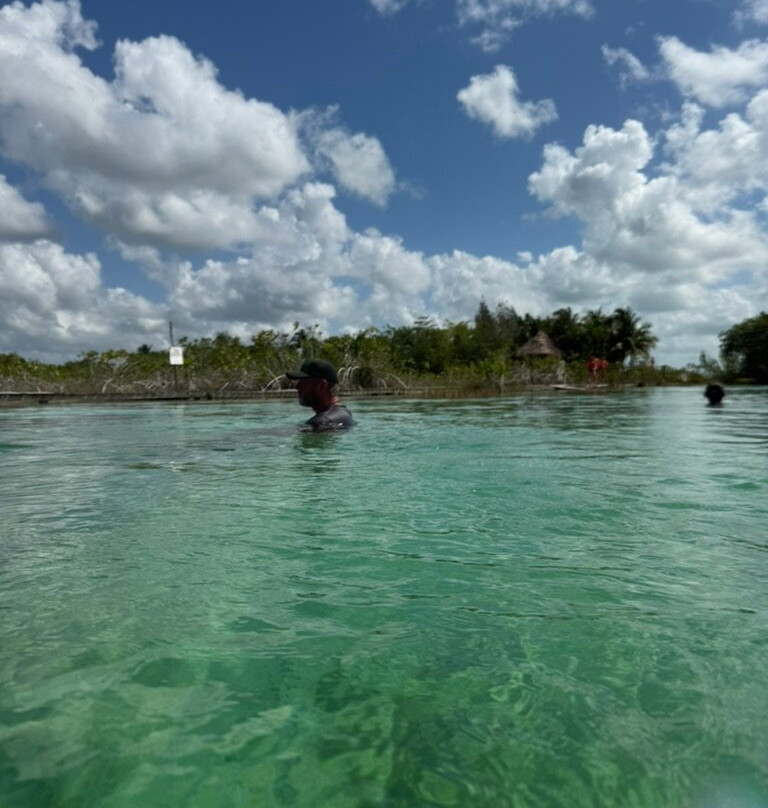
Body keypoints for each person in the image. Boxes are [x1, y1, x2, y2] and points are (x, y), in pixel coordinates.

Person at [286, 359, 355, 430]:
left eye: (303, 382)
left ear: (321, 386)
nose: (297, 387)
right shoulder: (343, 412)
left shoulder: (321, 422)